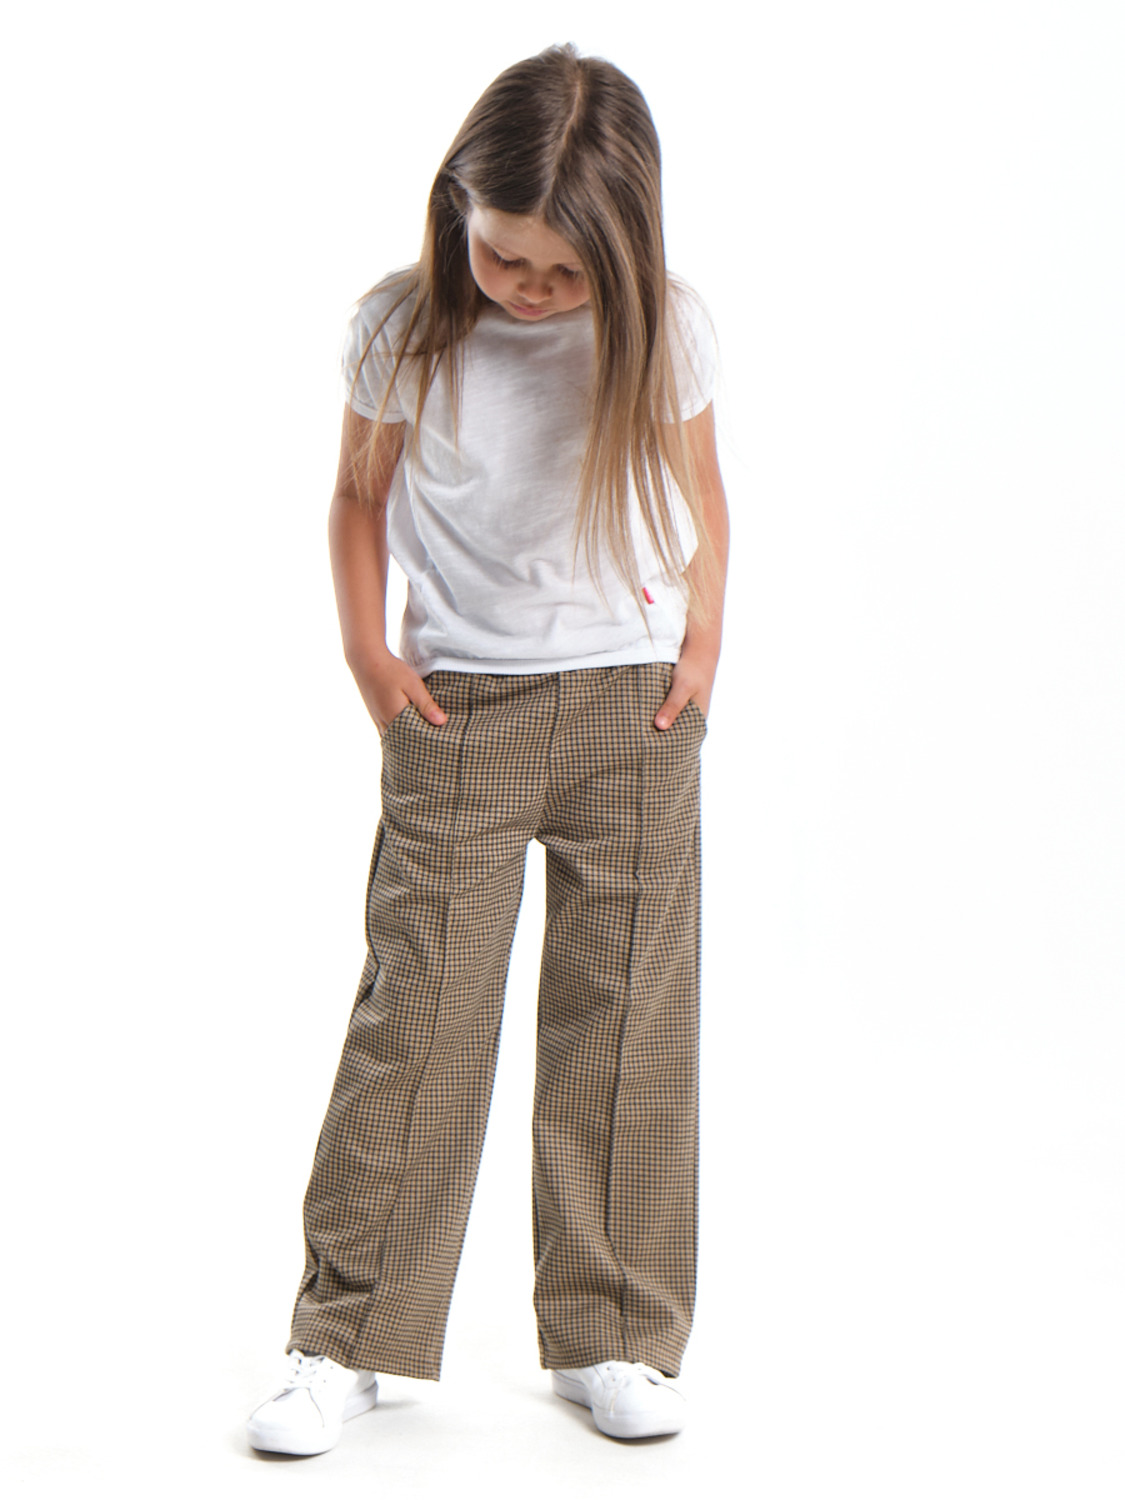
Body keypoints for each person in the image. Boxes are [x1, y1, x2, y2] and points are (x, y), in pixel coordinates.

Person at [247, 41, 729, 1455]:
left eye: (564, 274)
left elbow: (704, 491)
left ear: (621, 253)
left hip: (635, 706)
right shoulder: (402, 328)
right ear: (458, 203)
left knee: (626, 1023)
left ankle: (616, 1336)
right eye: (505, 254)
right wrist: (369, 656)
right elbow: (358, 497)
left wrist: (701, 654)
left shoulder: (667, 329)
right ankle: (343, 1337)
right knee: (422, 1021)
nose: (528, 288)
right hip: (461, 708)